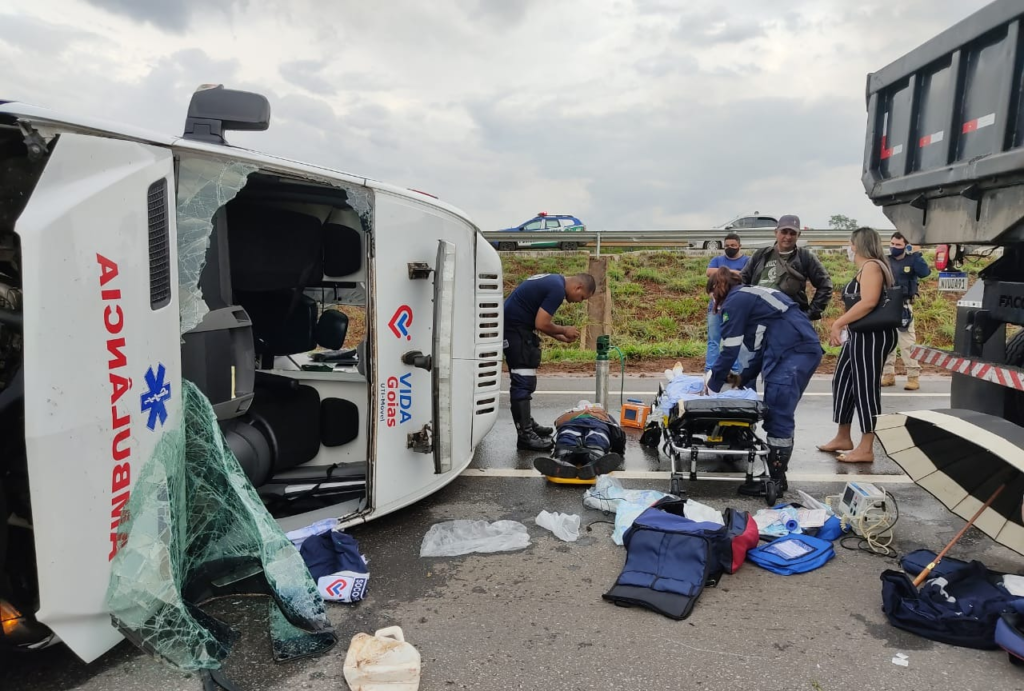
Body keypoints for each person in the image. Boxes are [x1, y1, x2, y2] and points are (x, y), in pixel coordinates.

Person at [705, 267, 825, 494]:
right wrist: (742, 378)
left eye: (711, 295)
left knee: (778, 412)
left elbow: (729, 350)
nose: (713, 301)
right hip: (795, 348)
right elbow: (760, 351)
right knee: (777, 410)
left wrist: (711, 389)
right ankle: (775, 477)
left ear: (717, 289)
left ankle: (775, 482)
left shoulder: (734, 301)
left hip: (792, 352)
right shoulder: (752, 295)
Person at [818, 227, 898, 463]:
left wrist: (838, 324)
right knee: (842, 381)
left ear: (857, 245)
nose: (849, 248)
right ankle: (843, 436)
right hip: (859, 335)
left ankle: (866, 446)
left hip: (872, 335)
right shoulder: (867, 267)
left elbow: (869, 301)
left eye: (851, 243)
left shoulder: (872, 266)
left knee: (865, 389)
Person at [503, 272, 596, 451]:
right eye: (582, 297)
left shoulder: (554, 280)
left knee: (524, 380)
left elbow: (539, 322)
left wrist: (561, 337)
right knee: (523, 381)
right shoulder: (557, 290)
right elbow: (541, 323)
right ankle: (525, 435)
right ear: (578, 287)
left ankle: (527, 423)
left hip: (514, 328)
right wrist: (565, 329)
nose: (579, 301)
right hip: (515, 331)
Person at [740, 214, 833, 321]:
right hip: (758, 317)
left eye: (792, 233)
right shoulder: (761, 254)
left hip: (789, 321)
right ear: (776, 232)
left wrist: (808, 315)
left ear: (799, 235)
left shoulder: (805, 257)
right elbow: (742, 280)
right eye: (784, 232)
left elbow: (825, 286)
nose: (788, 237)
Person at [882, 232, 931, 391]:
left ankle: (913, 377)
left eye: (898, 245)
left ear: (906, 246)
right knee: (887, 342)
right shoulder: (886, 261)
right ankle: (888, 375)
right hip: (887, 304)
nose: (894, 247)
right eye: (892, 244)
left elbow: (925, 273)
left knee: (907, 343)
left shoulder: (913, 260)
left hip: (904, 306)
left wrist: (916, 253)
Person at [532, 402, 625, 480]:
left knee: (595, 436)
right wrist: (582, 412)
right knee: (570, 435)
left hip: (596, 425)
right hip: (573, 424)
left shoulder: (603, 414)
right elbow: (558, 423)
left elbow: (616, 431)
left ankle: (591, 459)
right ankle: (565, 458)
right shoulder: (570, 414)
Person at [705, 233, 750, 372]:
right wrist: (732, 272)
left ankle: (734, 370)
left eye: (733, 245)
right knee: (713, 340)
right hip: (715, 306)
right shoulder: (717, 259)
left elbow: (747, 275)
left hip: (736, 308)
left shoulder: (747, 260)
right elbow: (709, 272)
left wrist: (723, 272)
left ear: (739, 246)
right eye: (727, 246)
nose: (729, 248)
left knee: (734, 339)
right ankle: (710, 370)